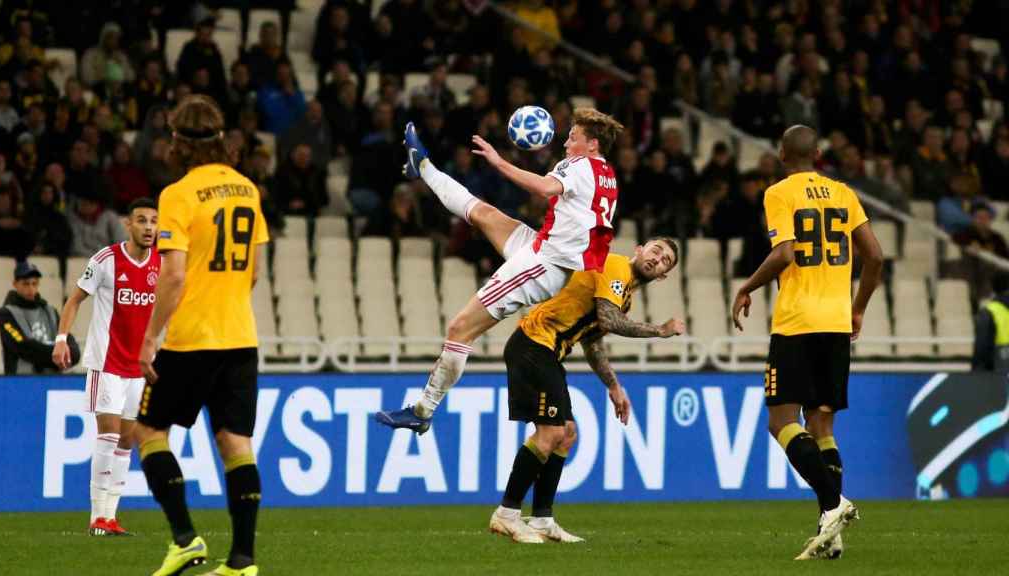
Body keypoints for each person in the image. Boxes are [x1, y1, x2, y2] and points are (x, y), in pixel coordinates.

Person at [376, 107, 624, 434]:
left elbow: (545, 189)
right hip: (545, 250)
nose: (566, 144)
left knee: (460, 327)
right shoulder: (607, 173)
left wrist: (499, 162)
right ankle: (422, 165)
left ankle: (424, 409)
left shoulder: (580, 165)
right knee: (484, 214)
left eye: (572, 138)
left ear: (592, 144)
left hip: (542, 265)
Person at [730, 125, 883, 560]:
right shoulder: (843, 193)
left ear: (781, 155)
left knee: (781, 422)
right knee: (823, 427)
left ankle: (835, 503)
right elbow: (874, 256)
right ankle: (830, 530)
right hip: (836, 323)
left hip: (797, 323)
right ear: (817, 153)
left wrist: (748, 286)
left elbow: (785, 253)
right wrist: (858, 308)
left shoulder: (779, 193)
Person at [134, 95, 269, 576]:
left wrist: (150, 338)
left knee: (148, 431)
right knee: (236, 445)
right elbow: (253, 271)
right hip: (241, 337)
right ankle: (243, 562)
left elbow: (172, 277)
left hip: (192, 338)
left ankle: (186, 539)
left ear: (179, 142)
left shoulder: (178, 194)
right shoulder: (247, 189)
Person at [492, 238, 684, 544]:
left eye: (665, 261)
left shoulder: (623, 295)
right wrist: (659, 330)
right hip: (533, 343)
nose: (657, 258)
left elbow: (592, 341)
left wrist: (613, 385)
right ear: (639, 250)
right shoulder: (617, 266)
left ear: (663, 276)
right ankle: (507, 513)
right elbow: (609, 319)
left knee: (566, 432)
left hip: (547, 350)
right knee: (551, 433)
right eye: (655, 250)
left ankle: (542, 518)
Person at [52, 198, 161, 537]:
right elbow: (74, 300)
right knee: (109, 434)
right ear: (128, 224)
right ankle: (97, 516)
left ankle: (110, 516)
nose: (148, 228)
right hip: (106, 363)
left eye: (153, 222)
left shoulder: (161, 264)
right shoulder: (105, 260)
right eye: (141, 220)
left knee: (127, 442)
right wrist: (61, 338)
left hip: (139, 368)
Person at [0, 261, 80, 375]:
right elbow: (23, 348)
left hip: (52, 381)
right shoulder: (5, 314)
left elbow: (71, 347)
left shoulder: (51, 312)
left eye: (34, 283)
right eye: (26, 283)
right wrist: (58, 354)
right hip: (19, 382)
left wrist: (62, 353)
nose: (31, 288)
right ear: (15, 284)